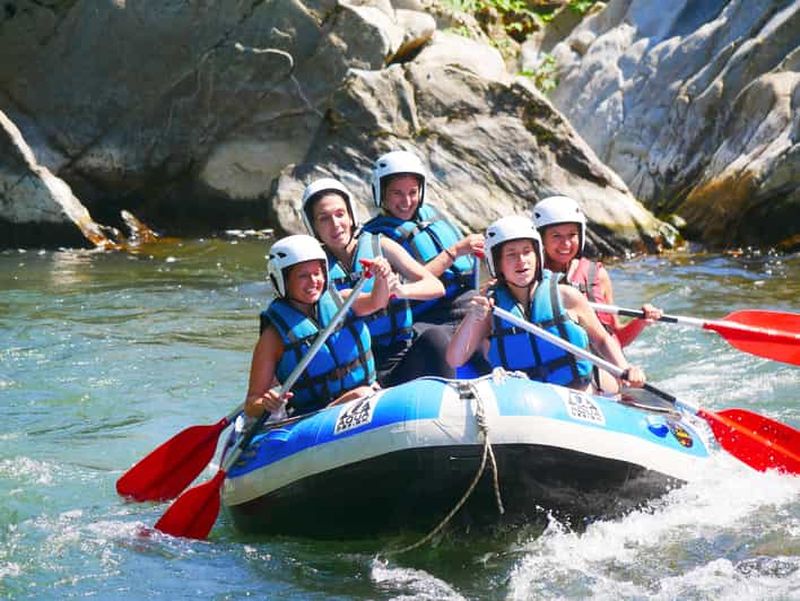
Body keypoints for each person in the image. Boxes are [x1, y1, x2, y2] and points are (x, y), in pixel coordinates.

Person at [445, 216, 646, 394]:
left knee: (611, 385)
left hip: (578, 391)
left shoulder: (567, 296)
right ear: (497, 263)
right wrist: (473, 316)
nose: (521, 261)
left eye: (527, 252)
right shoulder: (490, 308)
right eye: (511, 255)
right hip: (524, 397)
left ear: (538, 256)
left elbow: (602, 340)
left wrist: (624, 368)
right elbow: (455, 359)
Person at [300, 177, 455, 387]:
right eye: (324, 218)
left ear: (351, 215)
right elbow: (371, 304)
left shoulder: (382, 245)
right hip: (357, 370)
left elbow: (436, 287)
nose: (335, 225)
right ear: (313, 226)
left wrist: (400, 289)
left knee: (436, 338)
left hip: (399, 355)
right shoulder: (314, 270)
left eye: (340, 214)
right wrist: (383, 285)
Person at [244, 234, 393, 420]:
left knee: (362, 394)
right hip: (314, 417)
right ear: (283, 280)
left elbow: (377, 302)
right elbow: (251, 404)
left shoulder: (343, 300)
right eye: (303, 276)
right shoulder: (273, 337)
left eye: (317, 273)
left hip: (368, 396)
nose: (314, 281)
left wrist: (381, 277)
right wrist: (266, 404)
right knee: (361, 395)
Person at [362, 150, 485, 327]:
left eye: (413, 192)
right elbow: (411, 285)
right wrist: (455, 251)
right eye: (397, 193)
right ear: (382, 192)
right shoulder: (376, 238)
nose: (406, 201)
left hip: (466, 296)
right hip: (428, 315)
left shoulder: (429, 213)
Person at [532, 195, 662, 347]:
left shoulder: (597, 275)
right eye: (556, 236)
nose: (566, 243)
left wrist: (640, 321)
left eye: (572, 235)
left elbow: (617, 339)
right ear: (541, 238)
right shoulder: (526, 278)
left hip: (595, 366)